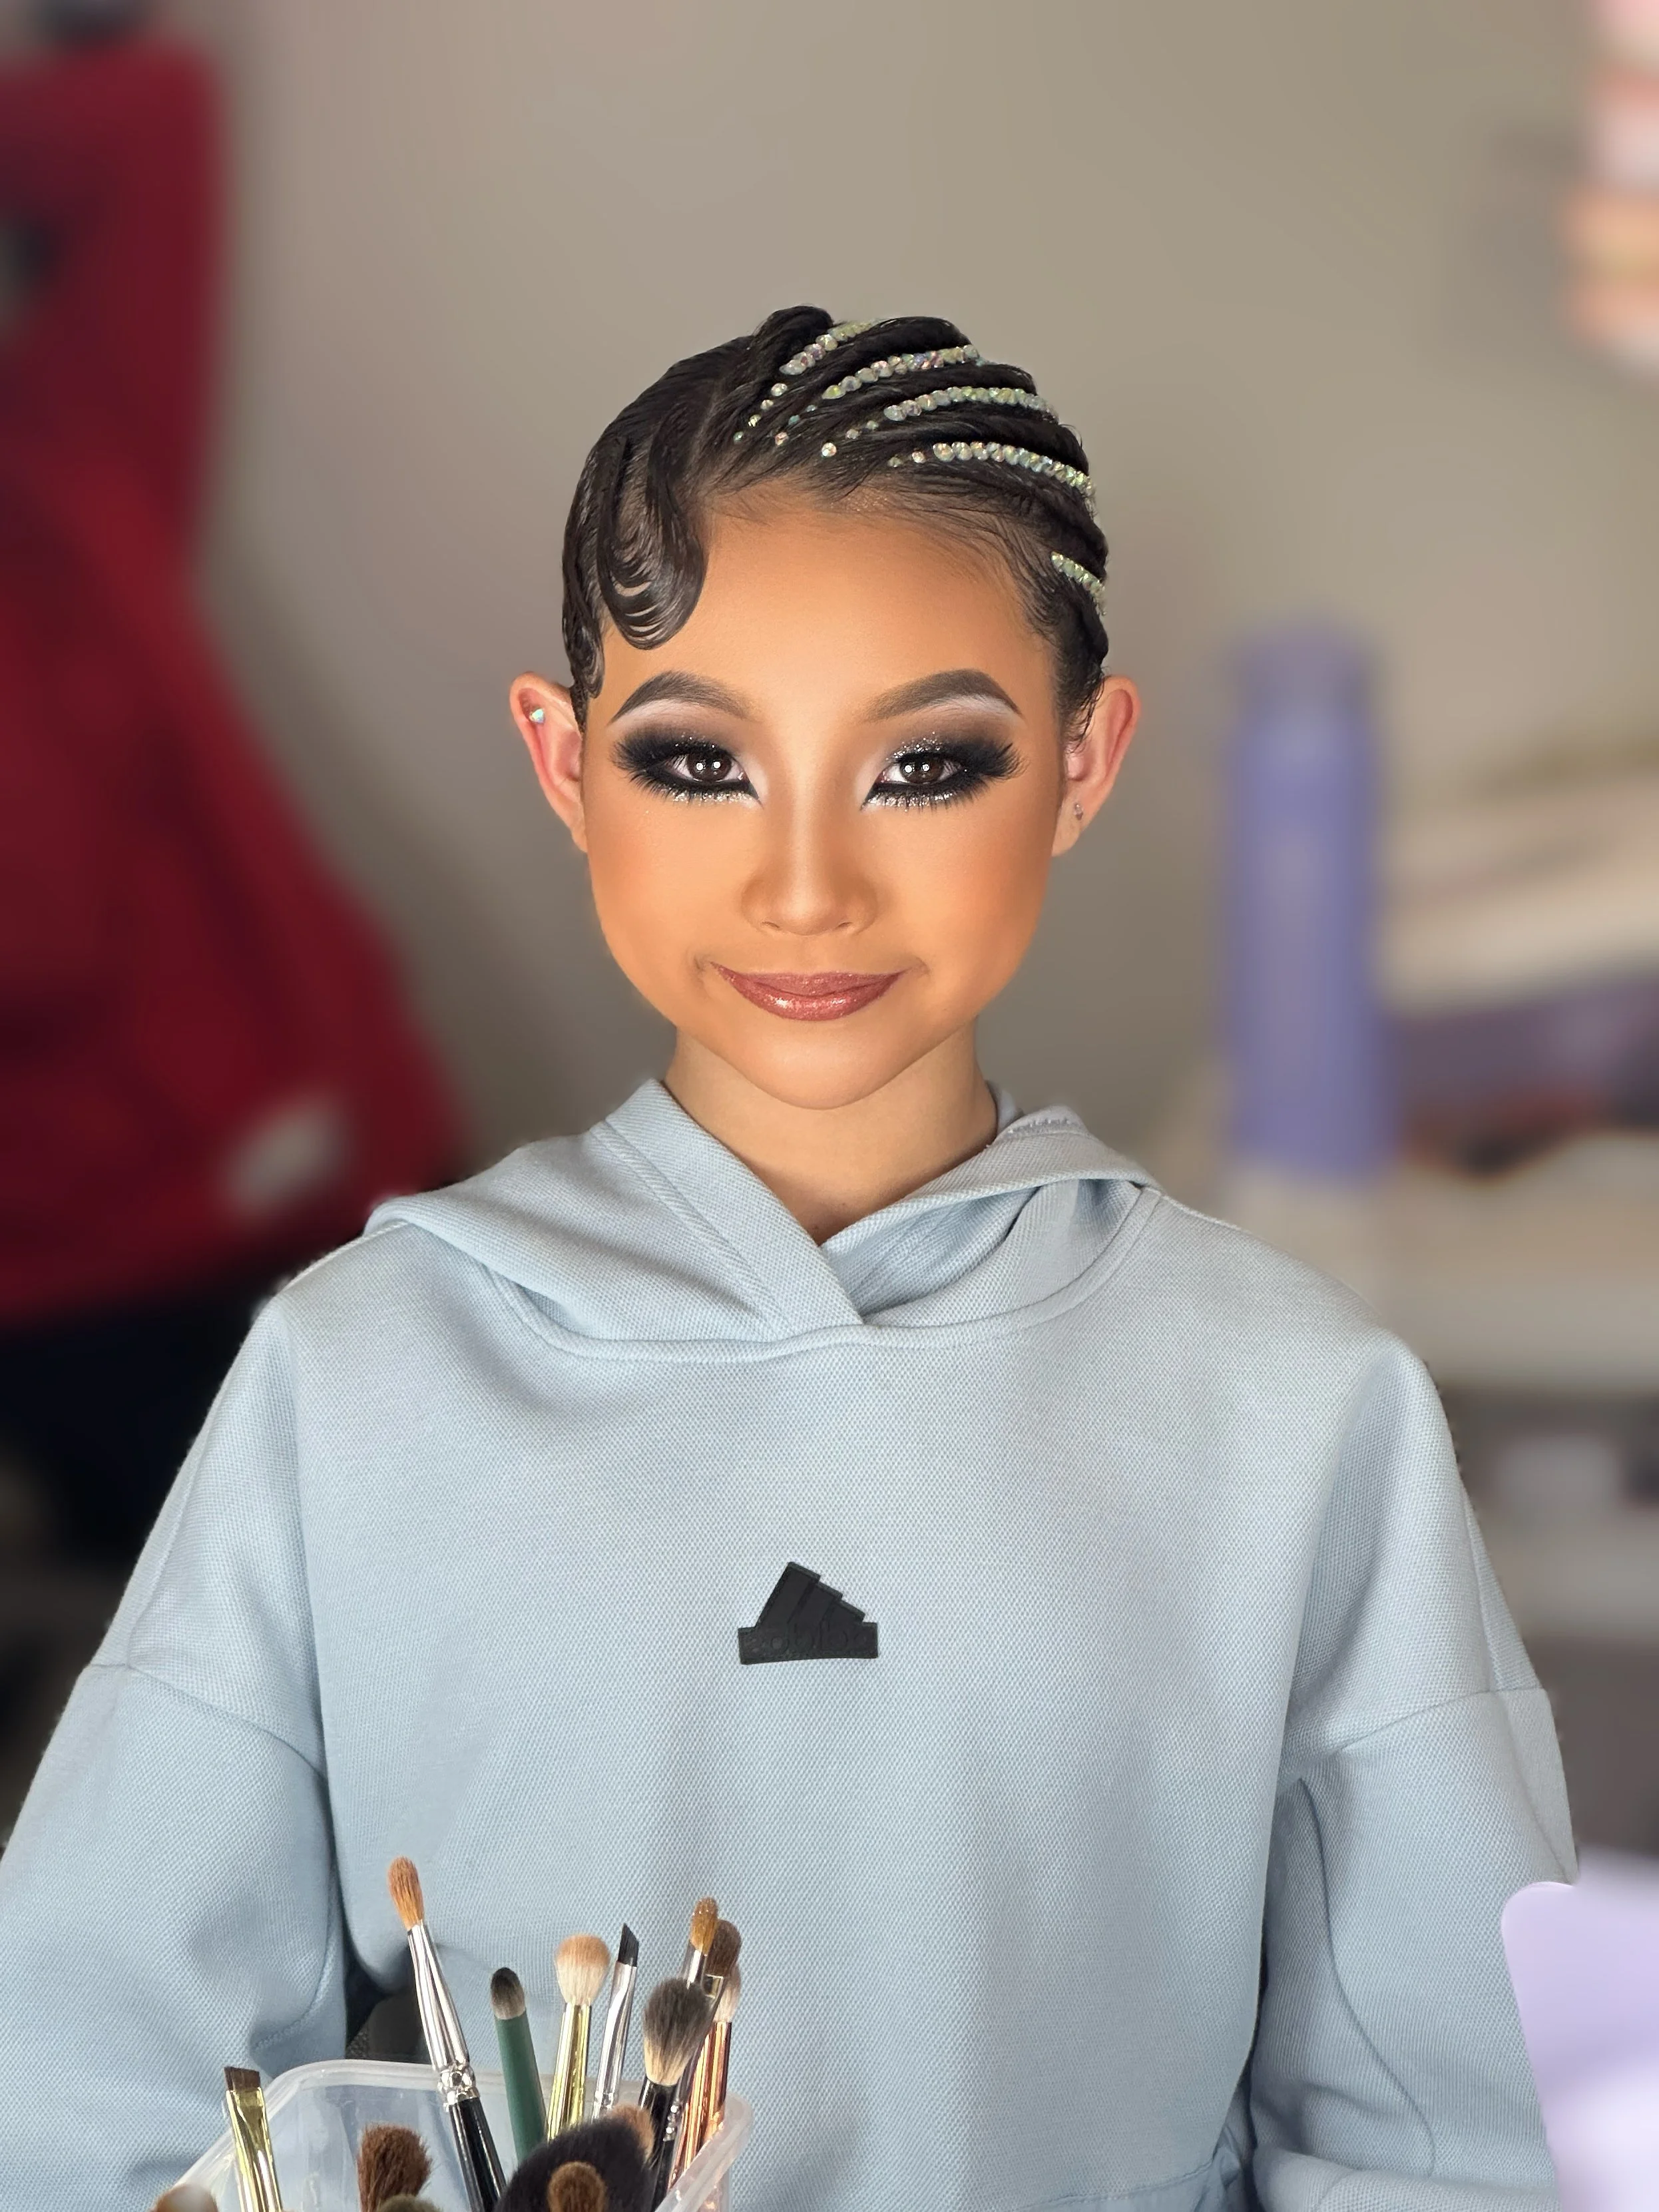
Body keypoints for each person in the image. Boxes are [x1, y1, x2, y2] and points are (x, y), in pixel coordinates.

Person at [0, 308, 1572, 2211]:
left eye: (926, 766)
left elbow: (1458, 2145)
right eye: (695, 760)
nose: (806, 884)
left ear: (1083, 763)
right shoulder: (357, 1382)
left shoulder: (1295, 1411)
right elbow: (85, 2113)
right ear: (563, 760)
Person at [0, 15, 457, 1564]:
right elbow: (38, 921)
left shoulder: (60, 452)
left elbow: (144, 124)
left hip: (360, 1180)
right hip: (113, 1300)